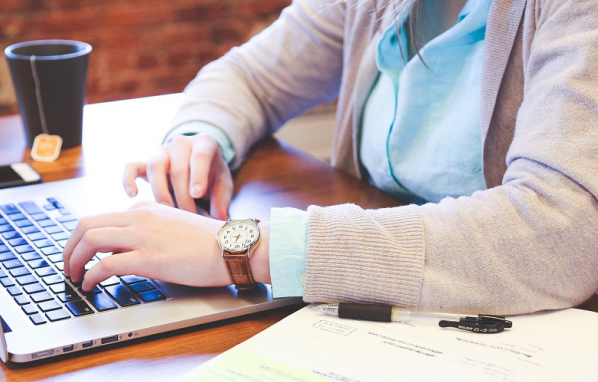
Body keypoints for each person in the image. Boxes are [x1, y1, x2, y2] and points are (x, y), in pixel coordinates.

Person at [64, 0, 598, 315]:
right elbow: (250, 76)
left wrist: (243, 249)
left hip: (521, 327)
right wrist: (200, 137)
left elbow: (563, 229)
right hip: (383, 311)